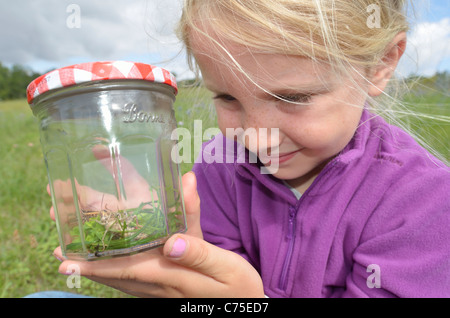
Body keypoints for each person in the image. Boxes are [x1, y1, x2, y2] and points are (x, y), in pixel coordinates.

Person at [51, 0, 450, 298]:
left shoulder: (424, 203)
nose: (255, 139)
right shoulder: (219, 168)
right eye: (227, 98)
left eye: (293, 97)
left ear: (380, 64)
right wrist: (165, 244)